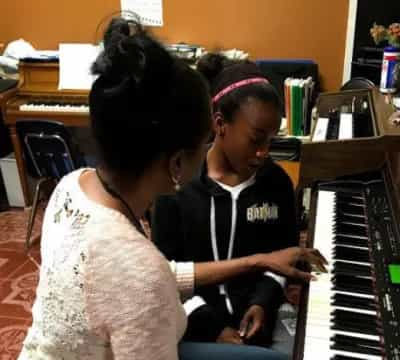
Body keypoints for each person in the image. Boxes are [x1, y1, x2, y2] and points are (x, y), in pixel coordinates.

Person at [18, 18, 326, 360]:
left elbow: (158, 273)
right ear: (177, 162)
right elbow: (148, 278)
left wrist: (256, 263)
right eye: (203, 140)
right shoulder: (143, 275)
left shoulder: (69, 186)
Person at [152, 54, 322, 351]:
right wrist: (211, 327)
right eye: (256, 139)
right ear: (220, 124)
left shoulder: (277, 183)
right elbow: (165, 273)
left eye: (271, 140)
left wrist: (262, 303)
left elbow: (282, 257)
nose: (263, 153)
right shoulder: (176, 188)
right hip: (192, 322)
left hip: (263, 319)